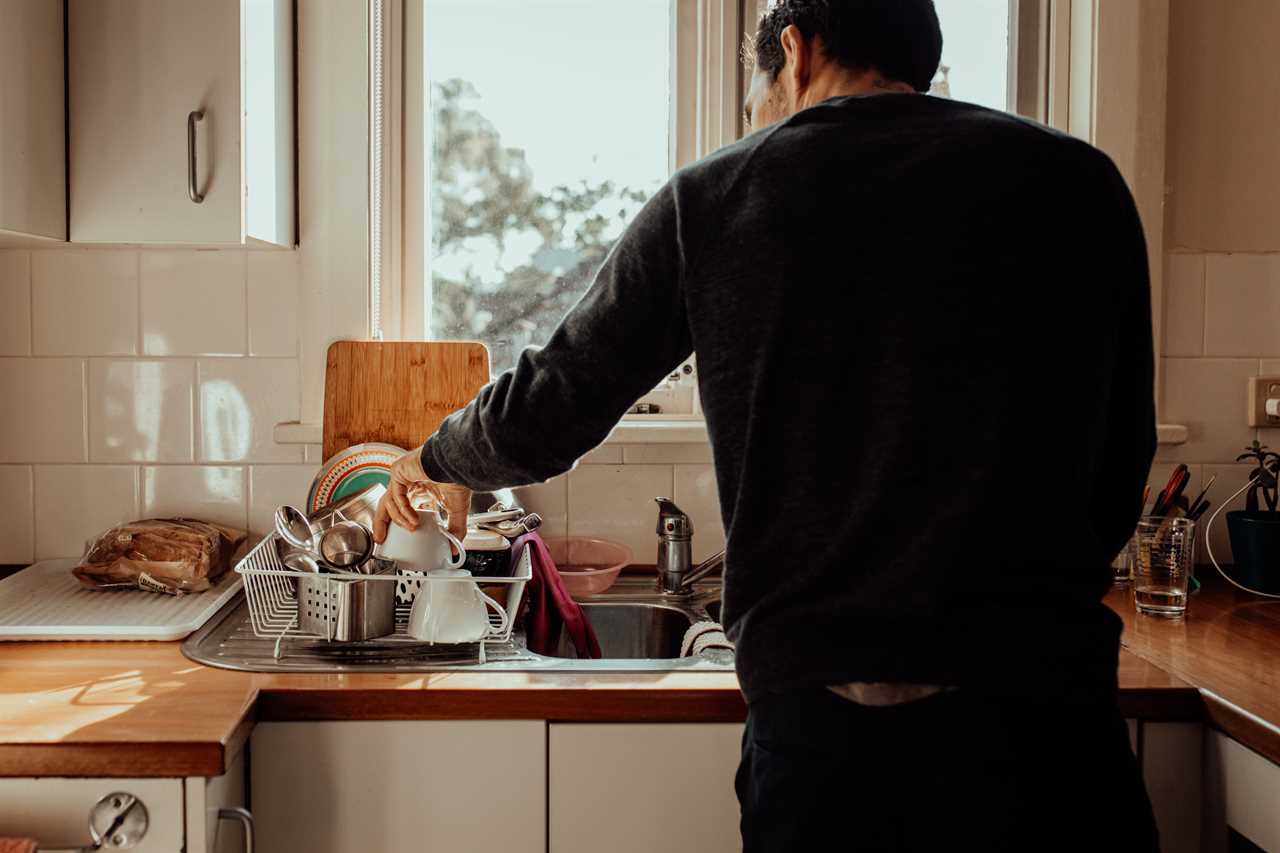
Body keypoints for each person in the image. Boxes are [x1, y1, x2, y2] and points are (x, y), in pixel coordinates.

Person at [373, 0, 1159, 848]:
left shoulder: (717, 195)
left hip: (830, 742)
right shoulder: (1078, 183)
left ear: (794, 50)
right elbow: (1121, 460)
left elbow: (551, 406)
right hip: (1046, 721)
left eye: (757, 100)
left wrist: (431, 458)